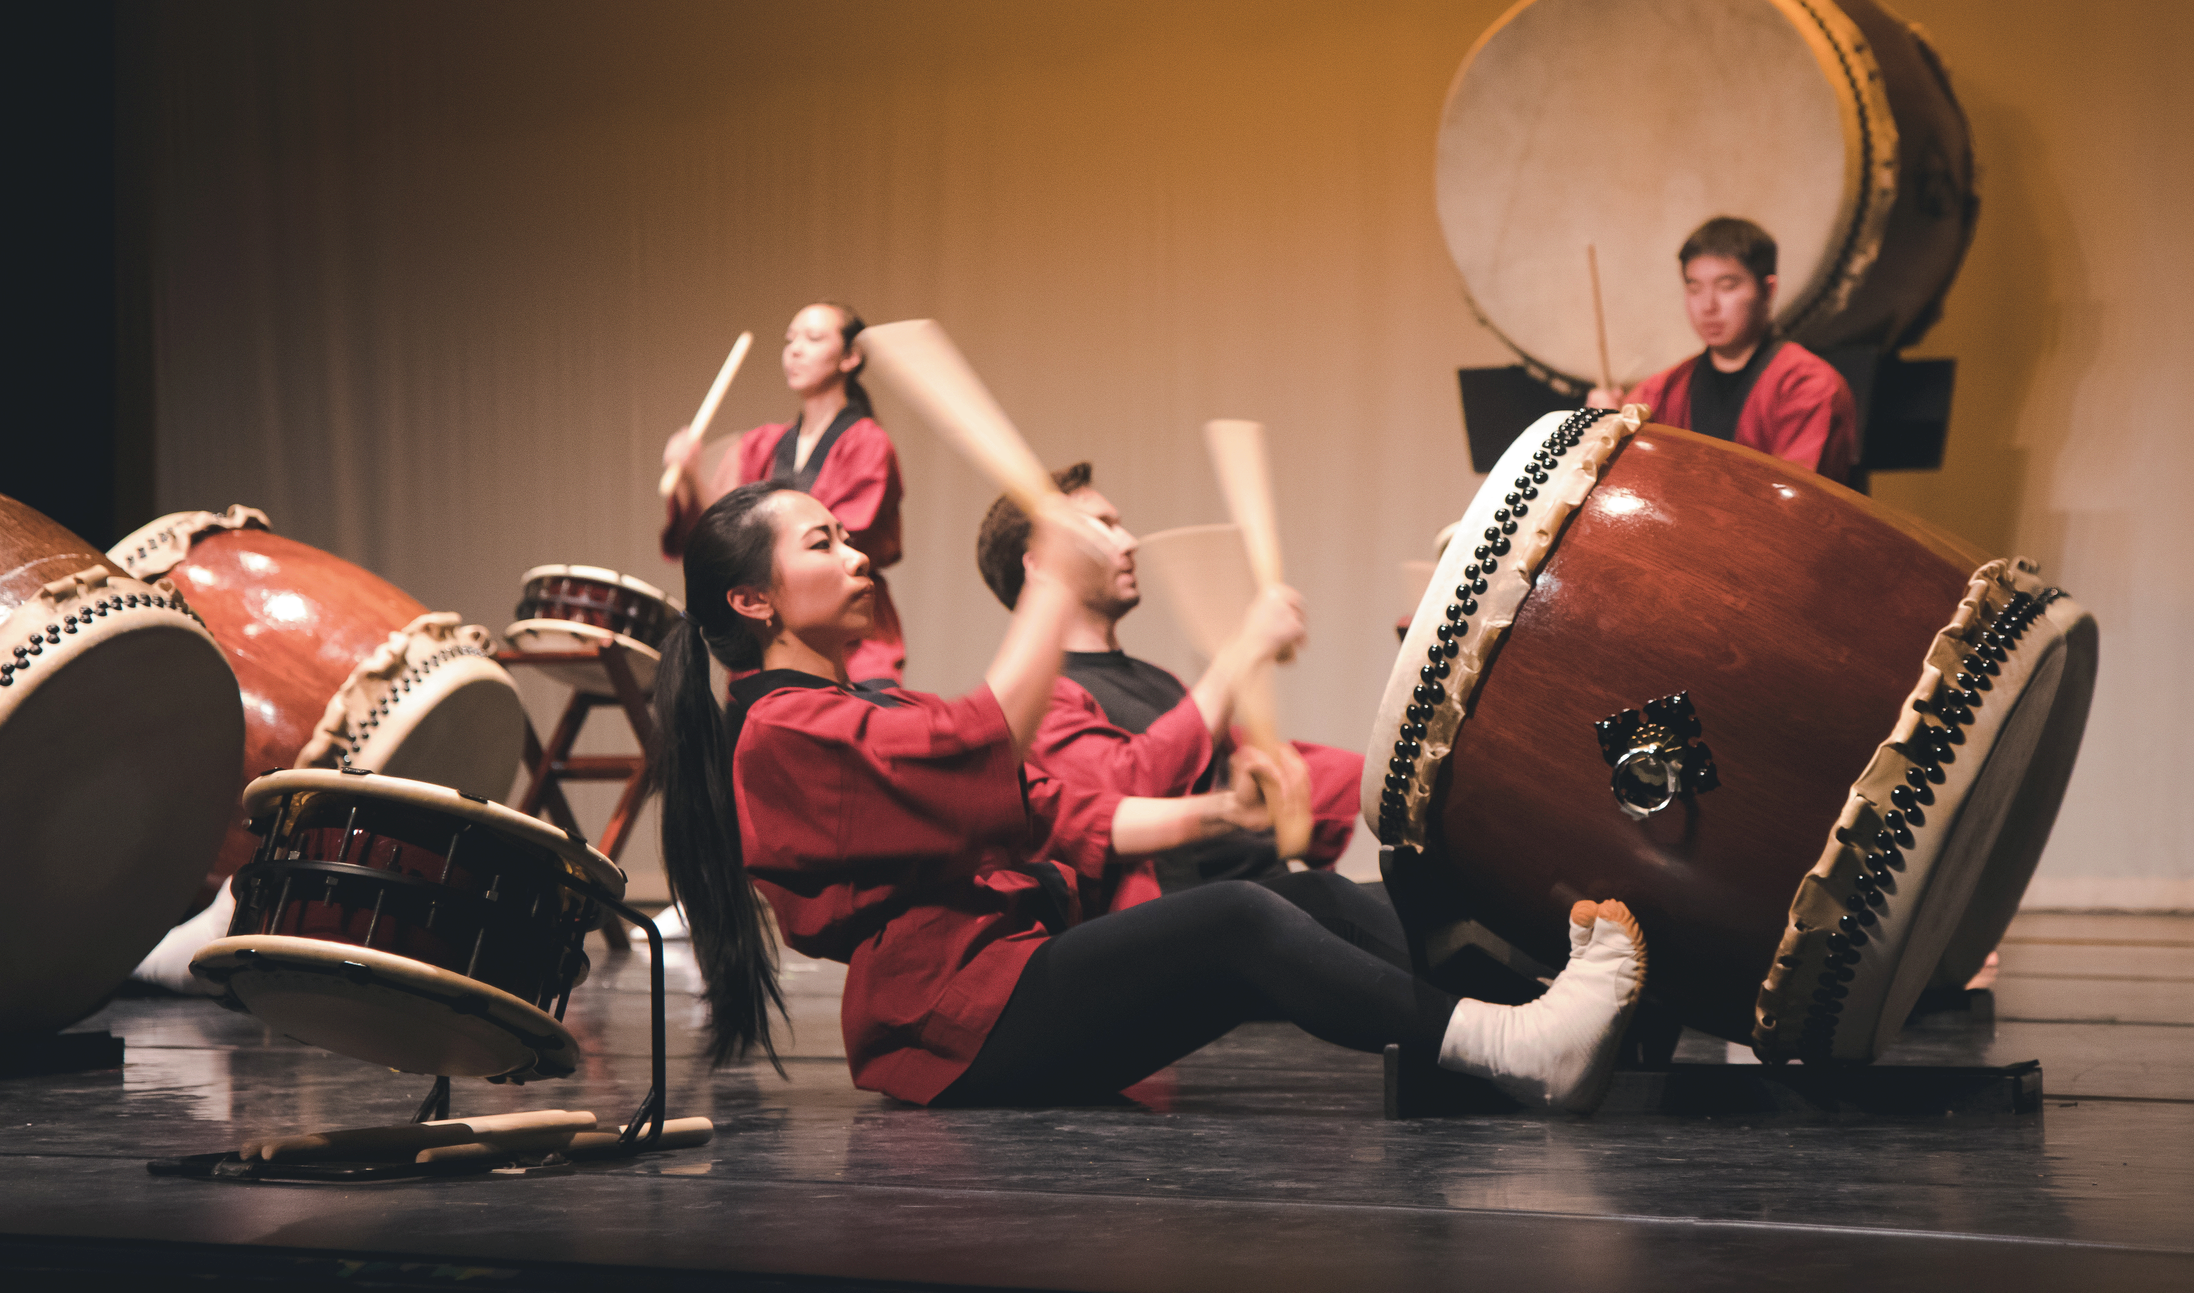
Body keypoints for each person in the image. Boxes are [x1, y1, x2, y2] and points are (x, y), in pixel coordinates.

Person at [650, 479, 1649, 1111]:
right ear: (753, 598)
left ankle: (1532, 1023)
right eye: (821, 543)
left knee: (1291, 899)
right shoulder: (781, 729)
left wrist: (1223, 811)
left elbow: (1061, 813)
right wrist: (1051, 583)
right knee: (1232, 919)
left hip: (1004, 983)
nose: (856, 553)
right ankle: (1516, 1043)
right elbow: (976, 739)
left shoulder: (850, 704)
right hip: (953, 1023)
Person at [973, 464, 1366, 912]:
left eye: (1118, 524)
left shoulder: (1154, 680)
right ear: (1042, 564)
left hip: (1269, 897)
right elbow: (1126, 790)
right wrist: (1247, 647)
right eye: (1102, 527)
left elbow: (1264, 763)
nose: (1129, 541)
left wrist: (1398, 772)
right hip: (1199, 921)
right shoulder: (1040, 701)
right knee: (1340, 904)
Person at [661, 302, 907, 682]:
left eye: (813, 338)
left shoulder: (867, 443)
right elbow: (728, 541)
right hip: (772, 638)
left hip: (850, 635)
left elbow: (843, 537)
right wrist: (691, 477)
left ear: (850, 357)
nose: (794, 349)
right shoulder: (761, 444)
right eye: (790, 339)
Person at [1592, 216, 1858, 483]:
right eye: (1694, 288)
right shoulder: (1659, 392)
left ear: (1768, 290)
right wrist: (1608, 431)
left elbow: (1798, 503)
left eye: (1727, 286)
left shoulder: (1808, 386)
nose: (1708, 306)